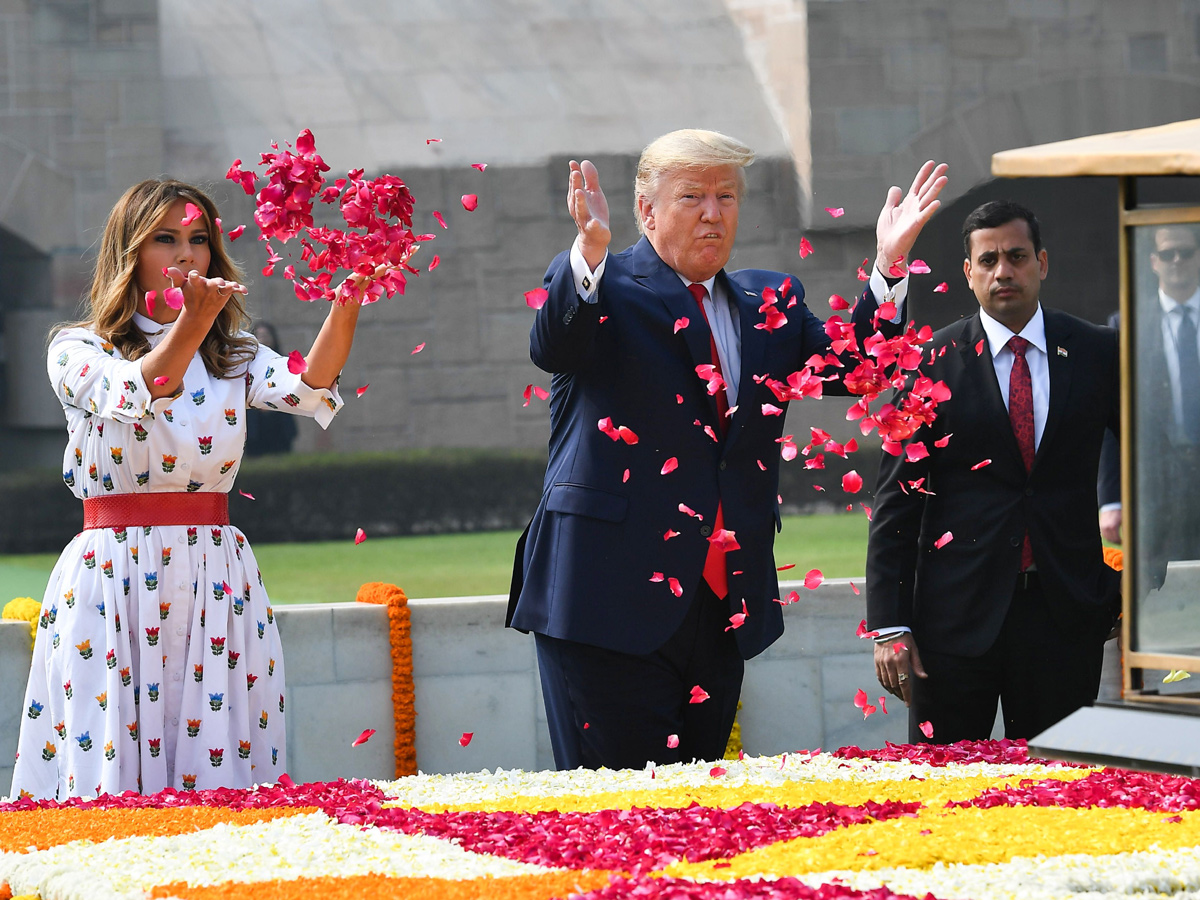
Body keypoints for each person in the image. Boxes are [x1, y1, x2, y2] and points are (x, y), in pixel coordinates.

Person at [507, 128, 948, 770]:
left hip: (718, 601)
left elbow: (859, 370)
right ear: (647, 211)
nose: (713, 213)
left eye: (726, 196)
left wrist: (888, 268)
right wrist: (589, 253)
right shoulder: (603, 286)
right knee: (616, 813)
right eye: (692, 196)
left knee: (703, 807)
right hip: (603, 598)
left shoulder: (768, 302)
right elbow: (555, 346)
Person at [12, 179, 365, 800]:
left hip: (214, 569)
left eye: (199, 240)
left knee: (221, 759)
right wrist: (194, 321)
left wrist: (346, 305)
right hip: (112, 573)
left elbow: (309, 387)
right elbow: (143, 386)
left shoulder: (232, 352)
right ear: (131, 251)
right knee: (109, 769)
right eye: (166, 239)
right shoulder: (77, 349)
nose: (187, 255)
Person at [867, 200, 1121, 743]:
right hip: (953, 627)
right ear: (968, 272)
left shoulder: (1099, 352)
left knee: (1066, 794)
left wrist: (1136, 585)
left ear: (1042, 263)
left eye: (1016, 256)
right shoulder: (931, 363)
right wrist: (889, 625)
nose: (1002, 271)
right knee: (946, 802)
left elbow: (1153, 464)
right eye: (988, 260)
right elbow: (897, 499)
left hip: (1065, 619)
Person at [1097, 225, 1200, 585]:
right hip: (1154, 485)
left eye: (1185, 253)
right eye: (1167, 253)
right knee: (1156, 591)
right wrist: (1110, 499)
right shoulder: (1127, 325)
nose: (1177, 261)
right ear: (1153, 261)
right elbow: (1113, 414)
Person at [244, 322, 298, 456]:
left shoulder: (283, 362)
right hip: (255, 419)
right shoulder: (246, 364)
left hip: (279, 416)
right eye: (260, 336)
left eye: (267, 335)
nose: (264, 339)